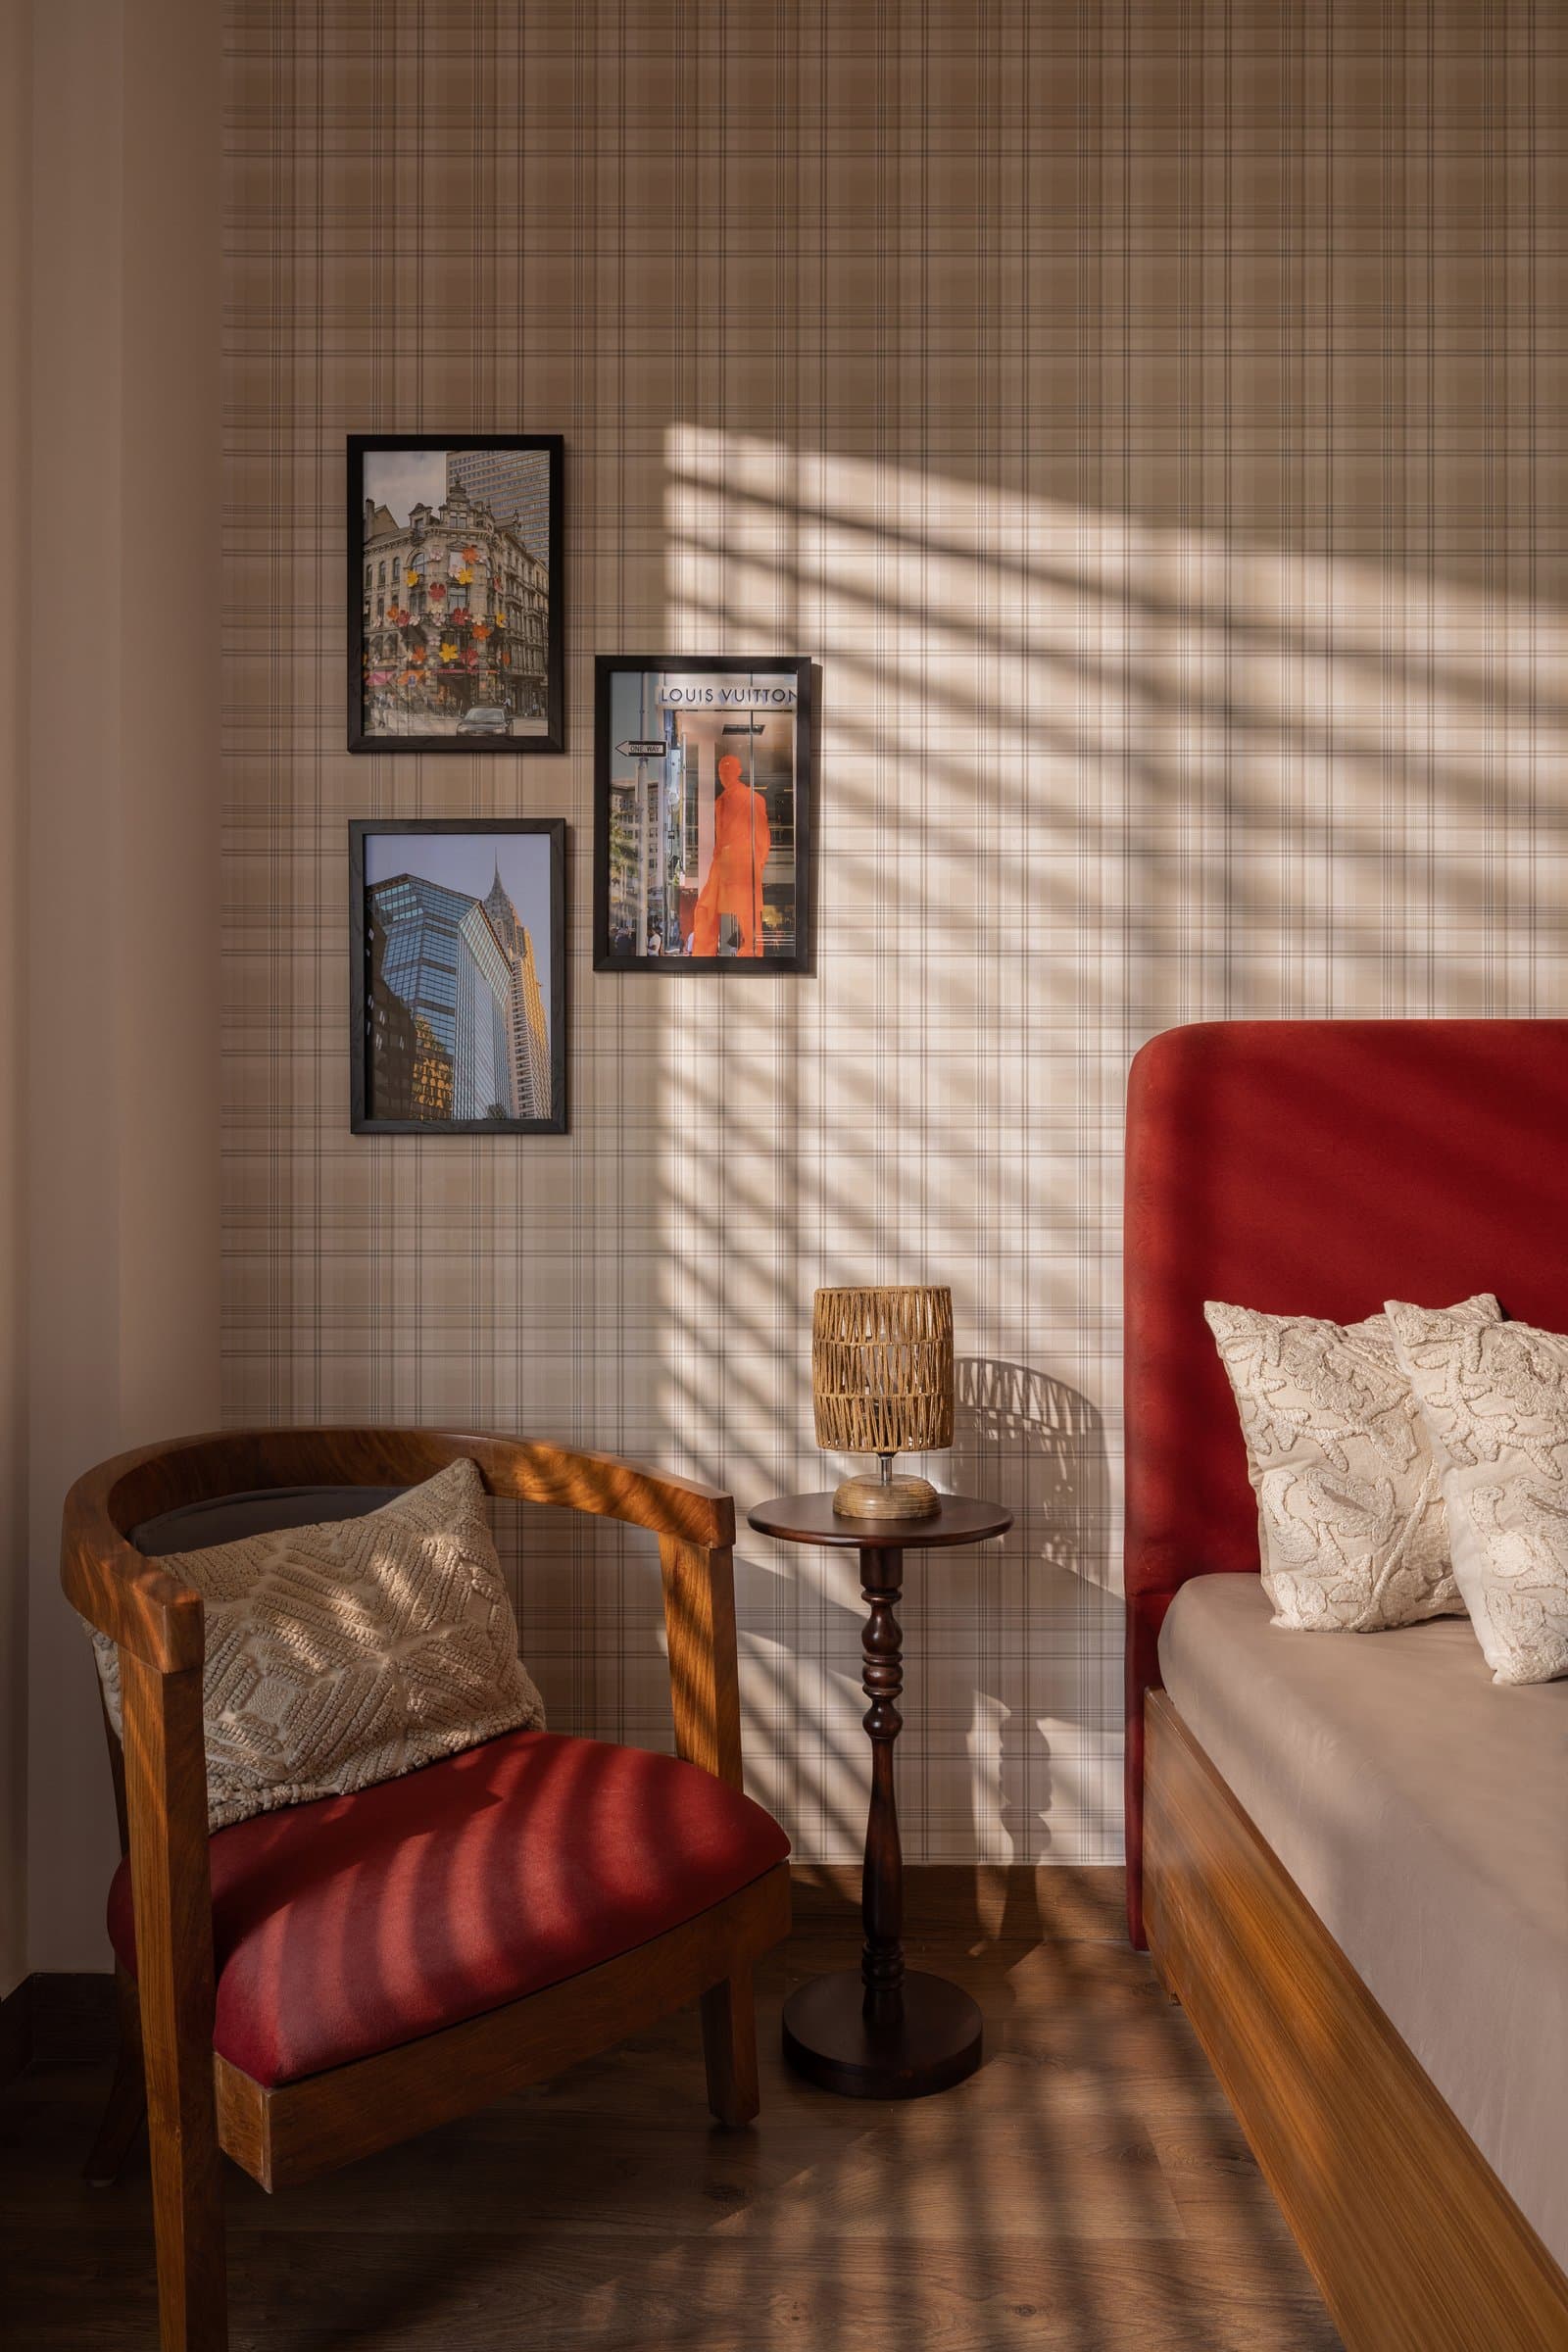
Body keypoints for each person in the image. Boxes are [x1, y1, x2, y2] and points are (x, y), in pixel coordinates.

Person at [691, 753, 770, 956]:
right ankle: (703, 953)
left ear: (738, 772)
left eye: (728, 770)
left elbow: (762, 835)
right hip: (721, 863)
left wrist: (757, 865)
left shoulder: (753, 799)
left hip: (742, 862)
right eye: (721, 772)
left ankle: (752, 951)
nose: (724, 775)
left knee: (747, 911)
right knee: (704, 907)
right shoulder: (720, 801)